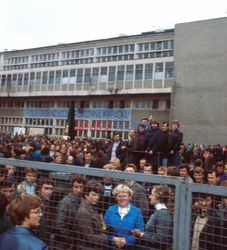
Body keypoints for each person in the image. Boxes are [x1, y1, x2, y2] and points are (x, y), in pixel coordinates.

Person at [104, 184, 144, 249]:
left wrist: (126, 241)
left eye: (124, 196)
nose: (122, 198)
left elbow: (141, 232)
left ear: (130, 197)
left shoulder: (137, 212)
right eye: (119, 196)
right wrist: (113, 239)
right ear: (116, 197)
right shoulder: (110, 210)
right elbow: (104, 230)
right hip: (111, 247)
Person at [132, 185, 172, 250]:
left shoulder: (162, 214)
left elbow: (160, 239)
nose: (149, 196)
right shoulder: (158, 212)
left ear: (159, 197)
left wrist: (141, 234)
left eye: (152, 195)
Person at [75, 180, 108, 250]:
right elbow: (88, 237)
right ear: (86, 195)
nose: (96, 197)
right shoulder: (83, 211)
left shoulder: (93, 207)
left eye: (98, 195)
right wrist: (106, 237)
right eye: (93, 194)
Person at [56, 175, 85, 249]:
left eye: (81, 187)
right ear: (71, 187)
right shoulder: (65, 202)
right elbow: (60, 224)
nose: (79, 190)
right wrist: (70, 241)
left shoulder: (84, 200)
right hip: (66, 242)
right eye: (76, 187)